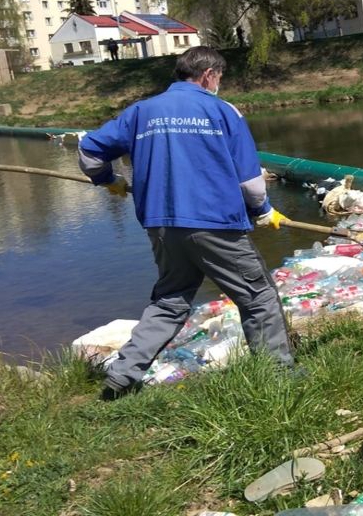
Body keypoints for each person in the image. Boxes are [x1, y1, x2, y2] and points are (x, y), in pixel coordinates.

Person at [78, 46, 294, 400]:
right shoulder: (223, 111)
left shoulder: (140, 112)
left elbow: (88, 151)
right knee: (258, 297)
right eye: (219, 78)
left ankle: (121, 375)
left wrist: (108, 179)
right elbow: (250, 182)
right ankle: (279, 378)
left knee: (170, 300)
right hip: (216, 225)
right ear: (209, 75)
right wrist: (264, 211)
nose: (219, 84)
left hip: (160, 225)